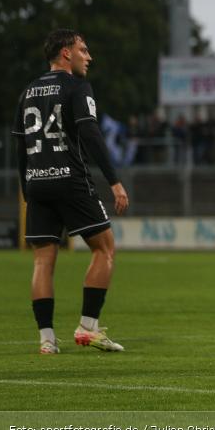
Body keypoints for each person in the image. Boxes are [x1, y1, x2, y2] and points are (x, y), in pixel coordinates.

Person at [12, 29, 129, 354]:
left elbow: (21, 147)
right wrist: (114, 181)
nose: (89, 57)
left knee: (42, 262)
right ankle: (88, 327)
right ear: (66, 53)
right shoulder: (77, 86)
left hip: (37, 184)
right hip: (70, 181)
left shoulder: (27, 91)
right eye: (83, 50)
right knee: (105, 249)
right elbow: (90, 133)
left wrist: (27, 190)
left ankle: (47, 340)